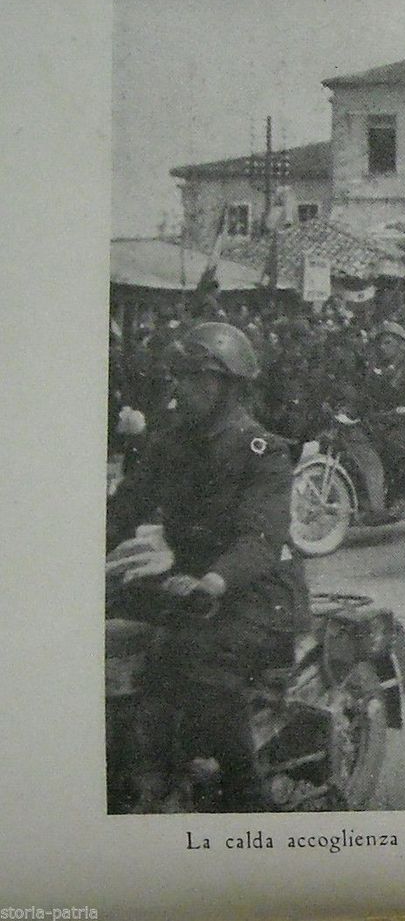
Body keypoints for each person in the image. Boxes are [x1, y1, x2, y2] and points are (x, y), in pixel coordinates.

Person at [105, 321, 310, 811]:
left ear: (228, 386)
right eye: (180, 377)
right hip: (186, 583)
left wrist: (213, 581)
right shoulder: (170, 443)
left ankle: (247, 804)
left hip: (255, 592)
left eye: (196, 378)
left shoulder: (262, 450)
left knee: (200, 665)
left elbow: (259, 540)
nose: (182, 388)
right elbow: (124, 509)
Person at [360, 321, 405, 504]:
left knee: (394, 445)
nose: (383, 348)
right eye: (380, 343)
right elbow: (364, 392)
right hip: (382, 421)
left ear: (400, 345)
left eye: (388, 343)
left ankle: (400, 492)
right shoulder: (375, 369)